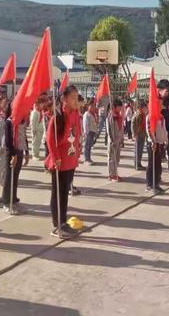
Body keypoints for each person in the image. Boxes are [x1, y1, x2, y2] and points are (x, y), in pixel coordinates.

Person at [45, 85, 81, 238]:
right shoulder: (58, 116)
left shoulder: (74, 114)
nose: (75, 100)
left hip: (70, 160)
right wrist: (56, 157)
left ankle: (63, 222)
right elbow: (50, 140)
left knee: (65, 193)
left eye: (76, 97)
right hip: (60, 161)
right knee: (58, 193)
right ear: (64, 99)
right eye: (72, 97)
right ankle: (57, 225)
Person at [1, 104, 29, 214]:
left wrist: (26, 152)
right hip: (11, 152)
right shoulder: (9, 122)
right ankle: (6, 202)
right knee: (9, 177)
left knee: (15, 177)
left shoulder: (21, 121)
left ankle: (14, 199)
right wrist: (13, 154)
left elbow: (24, 136)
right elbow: (8, 141)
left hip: (20, 150)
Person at [145, 102, 167, 192]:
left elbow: (164, 129)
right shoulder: (150, 117)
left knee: (158, 165)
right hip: (153, 144)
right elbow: (149, 130)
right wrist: (153, 141)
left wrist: (166, 139)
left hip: (160, 143)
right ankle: (149, 184)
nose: (161, 107)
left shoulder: (162, 117)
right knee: (151, 164)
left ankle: (156, 183)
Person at [106, 99, 124, 181]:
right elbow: (109, 130)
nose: (120, 108)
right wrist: (112, 140)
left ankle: (115, 173)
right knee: (112, 158)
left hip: (118, 140)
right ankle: (111, 175)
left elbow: (121, 128)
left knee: (117, 158)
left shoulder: (119, 116)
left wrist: (122, 139)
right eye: (119, 107)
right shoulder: (110, 116)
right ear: (114, 107)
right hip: (113, 141)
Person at [132, 100, 147, 170]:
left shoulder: (143, 115)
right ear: (140, 108)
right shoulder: (137, 114)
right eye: (144, 107)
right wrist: (134, 134)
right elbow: (133, 124)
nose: (145, 109)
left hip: (142, 134)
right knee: (137, 150)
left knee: (141, 150)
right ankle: (136, 164)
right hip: (138, 134)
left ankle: (139, 163)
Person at [83, 99, 98, 165]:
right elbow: (85, 124)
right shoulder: (87, 114)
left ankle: (89, 158)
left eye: (94, 106)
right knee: (87, 146)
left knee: (89, 146)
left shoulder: (93, 114)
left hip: (93, 132)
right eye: (91, 106)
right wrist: (86, 133)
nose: (93, 107)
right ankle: (86, 159)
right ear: (88, 106)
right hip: (89, 132)